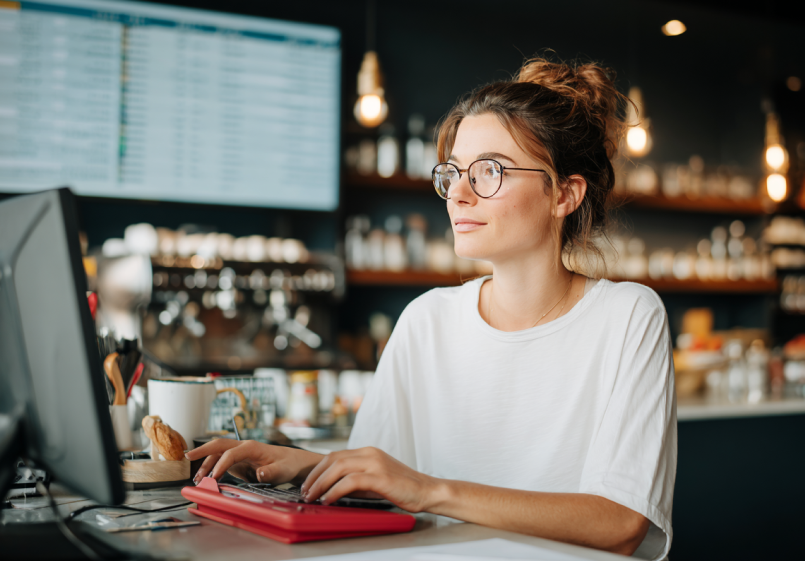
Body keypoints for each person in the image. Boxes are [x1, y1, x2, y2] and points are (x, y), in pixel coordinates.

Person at [187, 56, 677, 560]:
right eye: (453, 172)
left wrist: (433, 490)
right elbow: (382, 482)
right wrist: (299, 463)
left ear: (565, 194)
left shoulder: (628, 317)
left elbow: (620, 522)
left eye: (490, 171)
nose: (458, 194)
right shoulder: (427, 320)